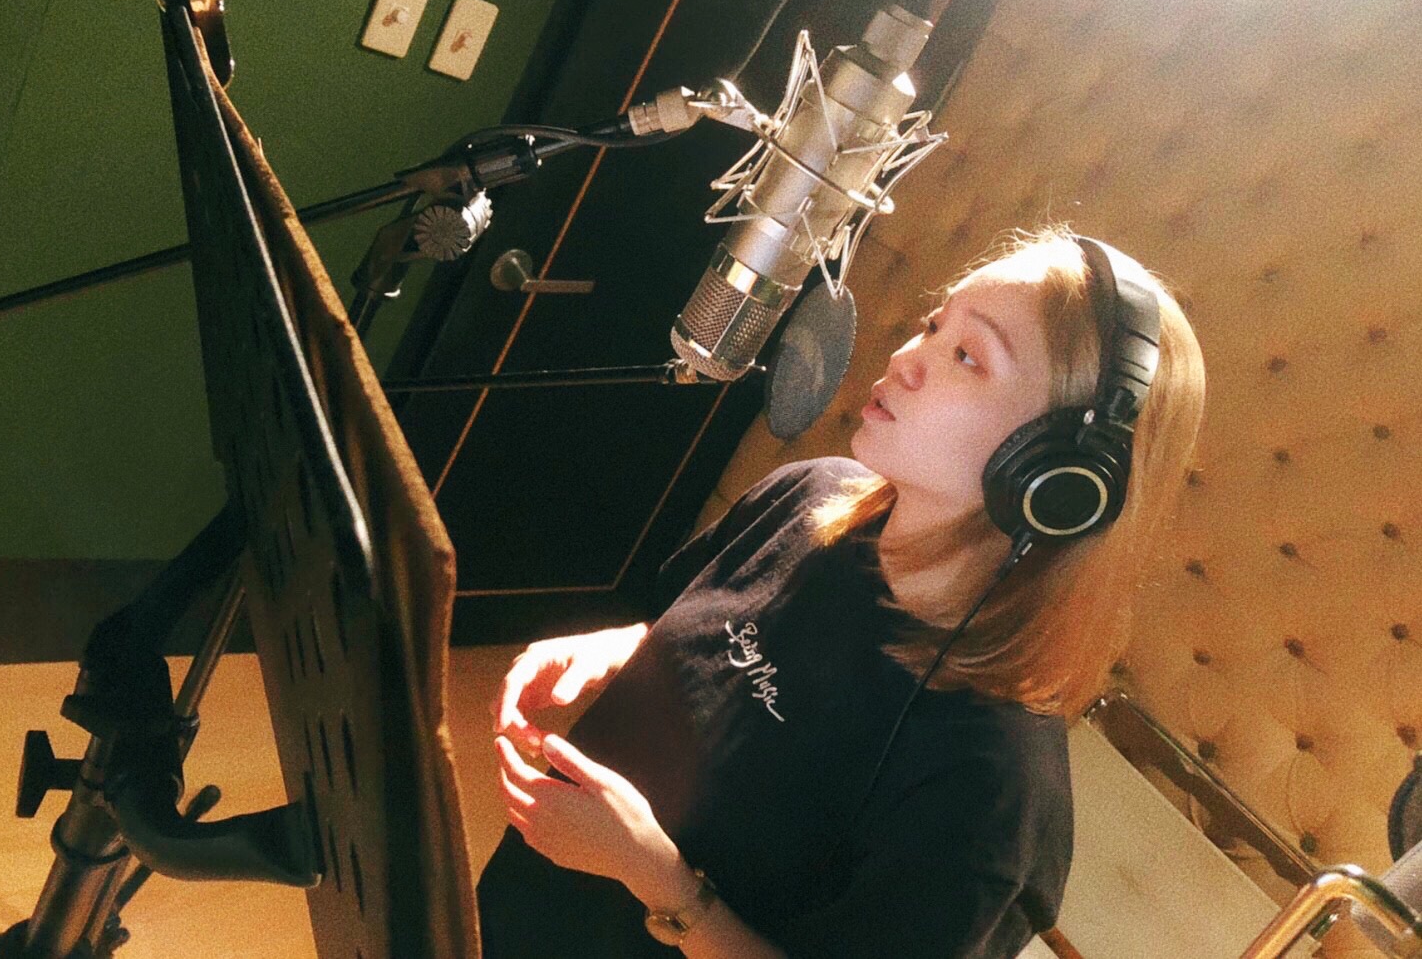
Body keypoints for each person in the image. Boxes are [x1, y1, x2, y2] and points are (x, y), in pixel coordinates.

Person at [476, 224, 1207, 957]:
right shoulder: (810, 493)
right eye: (934, 324)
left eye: (967, 356)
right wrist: (621, 647)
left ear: (1056, 478)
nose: (907, 358)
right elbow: (724, 630)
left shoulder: (990, 787)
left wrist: (657, 879)